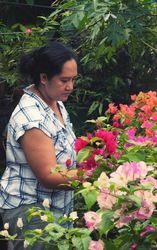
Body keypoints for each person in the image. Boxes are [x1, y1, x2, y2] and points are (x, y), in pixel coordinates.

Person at [0, 42, 81, 250]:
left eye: (73, 79)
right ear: (43, 78)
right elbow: (49, 176)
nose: (70, 86)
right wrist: (95, 176)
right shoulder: (32, 117)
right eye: (64, 80)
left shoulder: (55, 102)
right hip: (31, 214)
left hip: (54, 210)